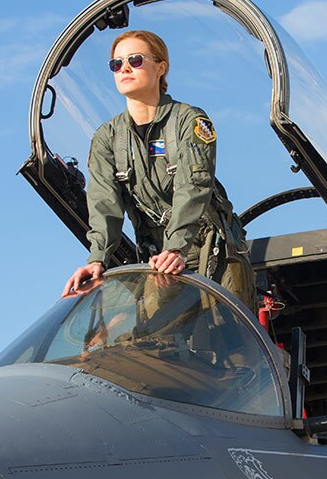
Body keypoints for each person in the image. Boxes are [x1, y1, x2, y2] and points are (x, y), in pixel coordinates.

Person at [62, 30, 256, 312]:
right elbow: (104, 203)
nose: (124, 68)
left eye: (135, 60)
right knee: (152, 345)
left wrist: (175, 248)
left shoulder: (189, 121)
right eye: (116, 64)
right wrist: (97, 260)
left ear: (161, 66)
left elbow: (193, 187)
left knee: (233, 342)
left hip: (211, 250)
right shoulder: (107, 137)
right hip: (157, 258)